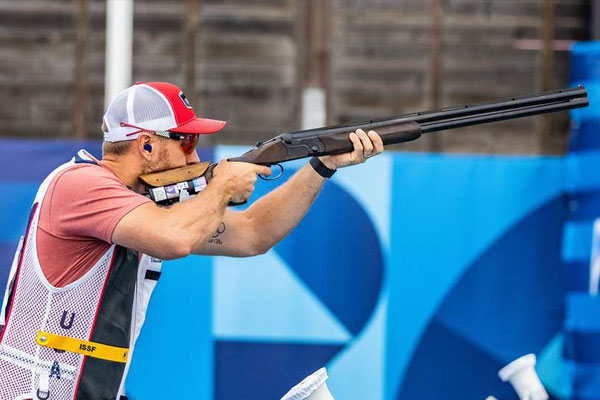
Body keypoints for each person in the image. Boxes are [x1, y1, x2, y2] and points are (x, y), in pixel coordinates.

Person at [0, 82, 383, 400]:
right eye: (187, 142)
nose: (196, 155)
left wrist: (322, 166)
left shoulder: (142, 208)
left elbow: (253, 233)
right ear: (147, 145)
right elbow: (174, 239)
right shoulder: (79, 184)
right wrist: (221, 188)